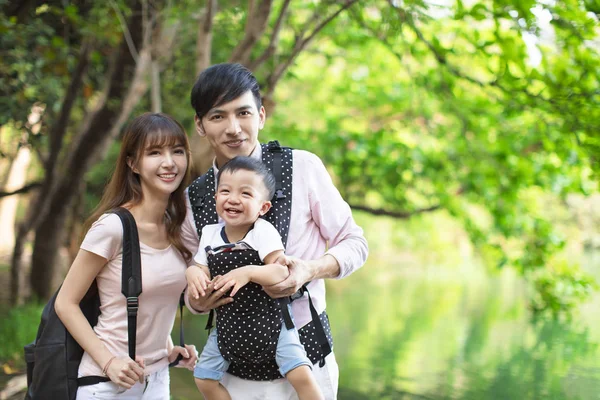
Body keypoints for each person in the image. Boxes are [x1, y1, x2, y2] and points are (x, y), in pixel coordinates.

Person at [181, 63, 369, 399]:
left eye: (243, 113)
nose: (233, 128)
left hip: (307, 366)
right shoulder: (194, 198)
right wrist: (198, 300)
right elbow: (190, 287)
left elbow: (355, 243)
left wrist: (310, 269)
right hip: (233, 373)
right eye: (218, 116)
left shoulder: (303, 167)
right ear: (200, 125)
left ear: (262, 115)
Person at [55, 112, 199, 399]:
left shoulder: (177, 228)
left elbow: (149, 300)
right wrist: (110, 363)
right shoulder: (113, 227)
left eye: (178, 151)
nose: (169, 162)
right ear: (133, 163)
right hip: (107, 383)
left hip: (157, 379)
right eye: (155, 152)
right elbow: (65, 303)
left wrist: (169, 350)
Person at [186, 156, 324, 400]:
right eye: (225, 191)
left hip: (272, 323)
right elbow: (200, 266)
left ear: (263, 207)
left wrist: (248, 272)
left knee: (301, 375)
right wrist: (193, 273)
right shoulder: (210, 233)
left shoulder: (262, 231)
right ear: (216, 197)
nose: (233, 199)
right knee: (204, 377)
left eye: (246, 194)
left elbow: (280, 271)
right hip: (229, 326)